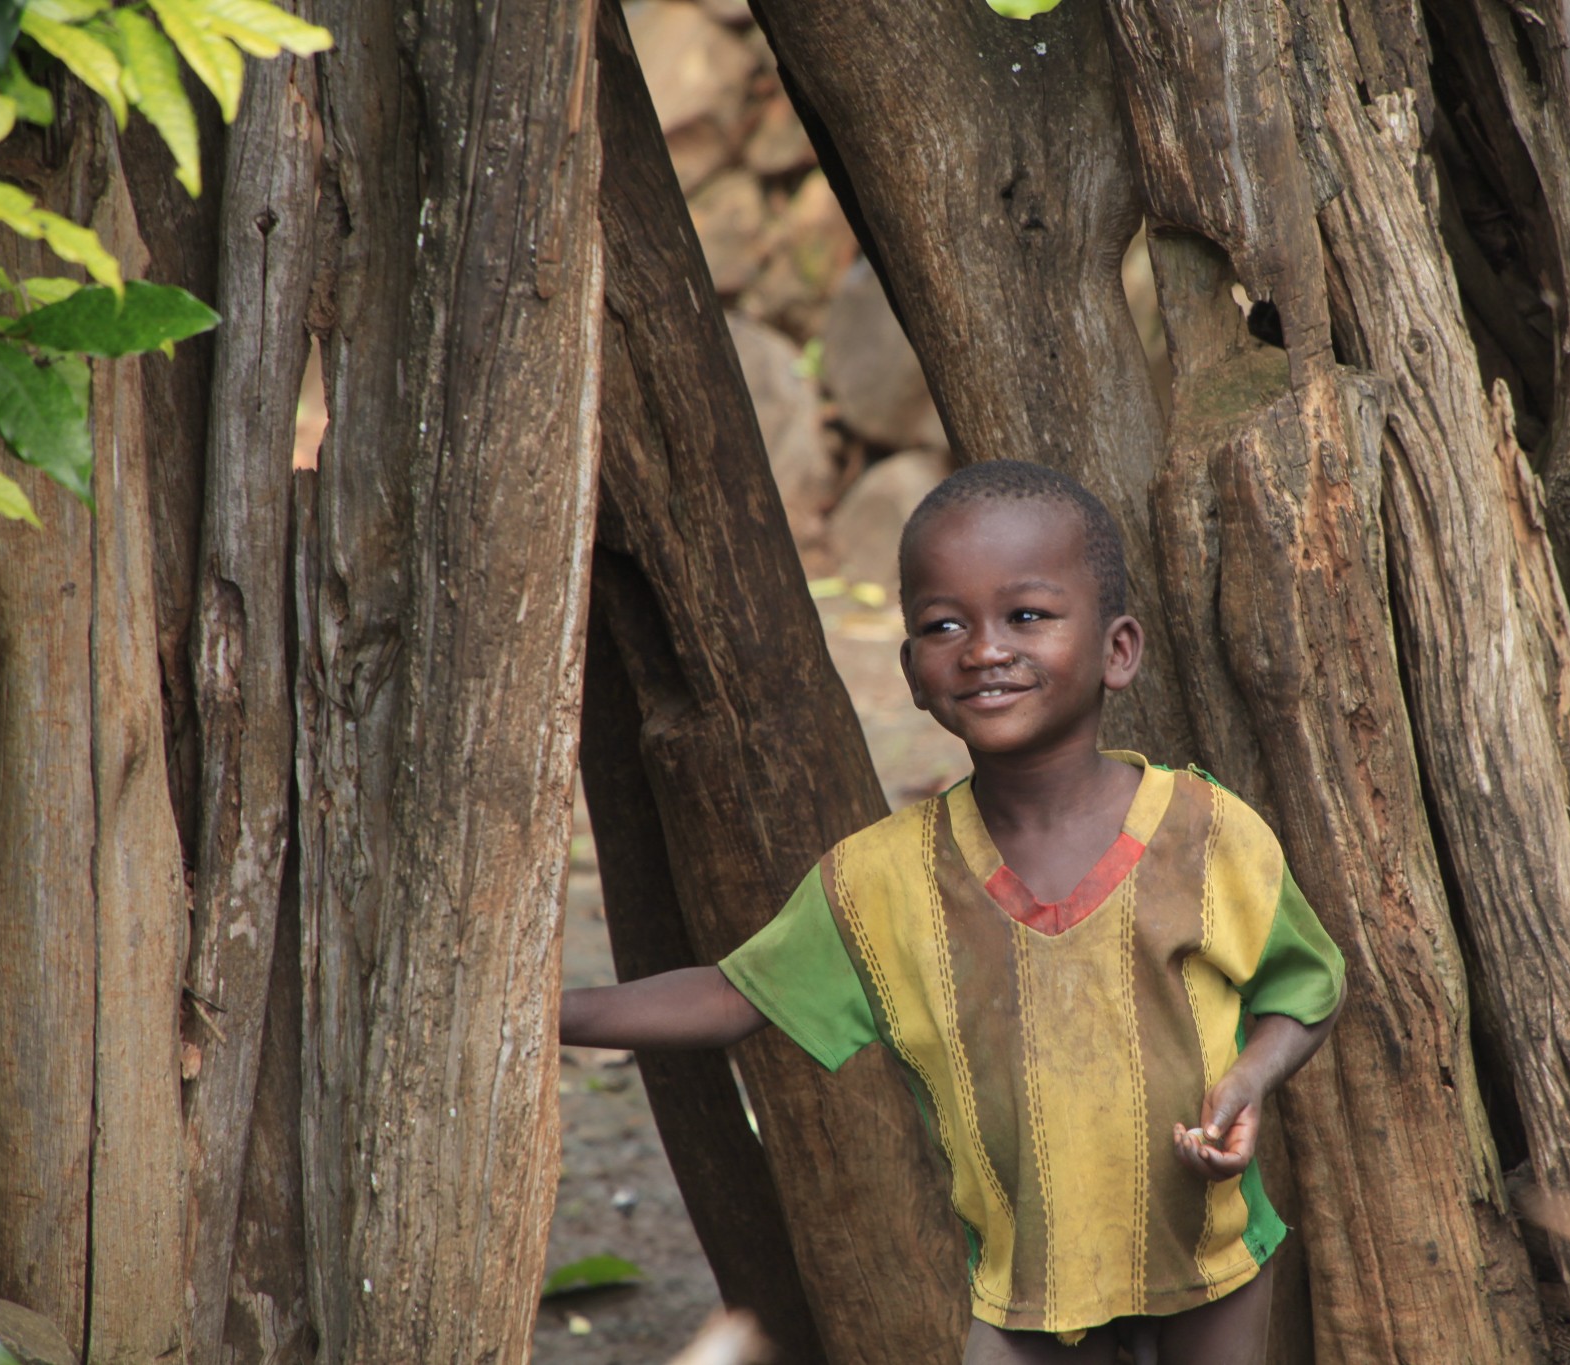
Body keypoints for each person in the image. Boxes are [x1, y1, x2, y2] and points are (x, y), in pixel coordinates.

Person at [560, 460, 1347, 1363]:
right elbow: (737, 995)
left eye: (1027, 615)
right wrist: (549, 1009)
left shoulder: (1206, 834)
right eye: (944, 625)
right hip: (1023, 1290)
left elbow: (1307, 984)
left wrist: (1248, 1079)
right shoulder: (884, 881)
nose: (983, 649)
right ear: (911, 671)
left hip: (1210, 1259)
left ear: (1118, 650)